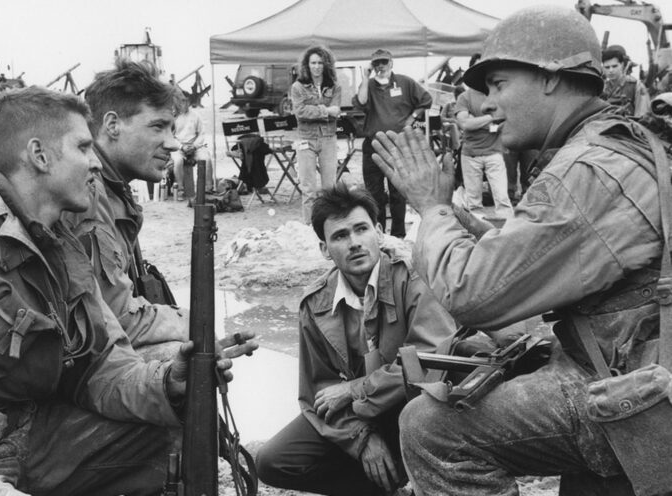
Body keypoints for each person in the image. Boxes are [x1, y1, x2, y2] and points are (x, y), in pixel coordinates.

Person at [372, 5, 670, 495]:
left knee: (431, 428)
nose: (487, 103)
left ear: (551, 78)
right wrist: (481, 235)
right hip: (639, 355)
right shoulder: (620, 142)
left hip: (637, 388)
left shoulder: (586, 169)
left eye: (499, 83)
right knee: (484, 351)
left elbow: (473, 294)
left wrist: (431, 208)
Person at [0, 87, 253, 495]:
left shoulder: (61, 244)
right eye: (83, 147)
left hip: (33, 435)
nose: (94, 162)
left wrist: (168, 384)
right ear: (39, 155)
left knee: (171, 436)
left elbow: (103, 368)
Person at [255, 184, 455, 496]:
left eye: (361, 229)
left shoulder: (414, 279)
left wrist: (354, 388)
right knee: (273, 461)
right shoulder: (315, 304)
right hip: (362, 414)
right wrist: (361, 439)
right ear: (324, 249)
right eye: (339, 236)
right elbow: (318, 393)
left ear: (378, 231)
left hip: (420, 407)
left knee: (431, 421)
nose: (354, 243)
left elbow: (431, 364)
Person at [62, 59, 190, 353]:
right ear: (112, 125)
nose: (172, 144)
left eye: (172, 129)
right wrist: (192, 323)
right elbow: (116, 316)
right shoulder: (88, 193)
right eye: (158, 126)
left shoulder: (112, 187)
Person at [353, 49, 432, 238]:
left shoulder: (405, 82)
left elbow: (426, 100)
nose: (381, 66)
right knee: (374, 194)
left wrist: (412, 118)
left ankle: (398, 235)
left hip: (398, 145)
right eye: (377, 63)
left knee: (398, 193)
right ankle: (378, 234)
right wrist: (365, 77)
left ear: (391, 63)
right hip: (373, 146)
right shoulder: (369, 85)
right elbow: (362, 102)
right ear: (372, 66)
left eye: (384, 62)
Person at [290, 45, 342, 224]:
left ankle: (330, 226)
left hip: (328, 138)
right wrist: (326, 110)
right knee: (308, 188)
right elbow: (300, 112)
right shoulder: (297, 87)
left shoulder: (334, 86)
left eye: (320, 62)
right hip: (306, 138)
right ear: (307, 64)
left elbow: (337, 110)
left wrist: (318, 111)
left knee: (330, 188)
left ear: (326, 65)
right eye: (313, 63)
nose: (317, 66)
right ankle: (309, 227)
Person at [455, 85, 514, 219]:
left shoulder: (499, 94)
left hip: (494, 152)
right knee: (474, 201)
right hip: (470, 154)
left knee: (502, 198)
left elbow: (509, 117)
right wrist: (492, 117)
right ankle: (478, 231)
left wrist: (475, 120)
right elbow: (465, 124)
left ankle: (507, 229)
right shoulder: (465, 97)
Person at [170, 90, 214, 201]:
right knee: (178, 161)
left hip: (195, 145)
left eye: (185, 102)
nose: (183, 104)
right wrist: (181, 147)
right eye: (180, 102)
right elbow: (171, 137)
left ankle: (208, 188)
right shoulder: (173, 117)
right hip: (179, 147)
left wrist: (194, 146)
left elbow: (202, 134)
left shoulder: (196, 116)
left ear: (188, 102)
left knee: (206, 159)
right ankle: (180, 189)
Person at [600, 44, 650, 117]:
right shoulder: (601, 88)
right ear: (603, 68)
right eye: (607, 67)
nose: (611, 70)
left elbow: (643, 115)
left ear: (622, 65)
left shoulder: (635, 86)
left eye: (614, 66)